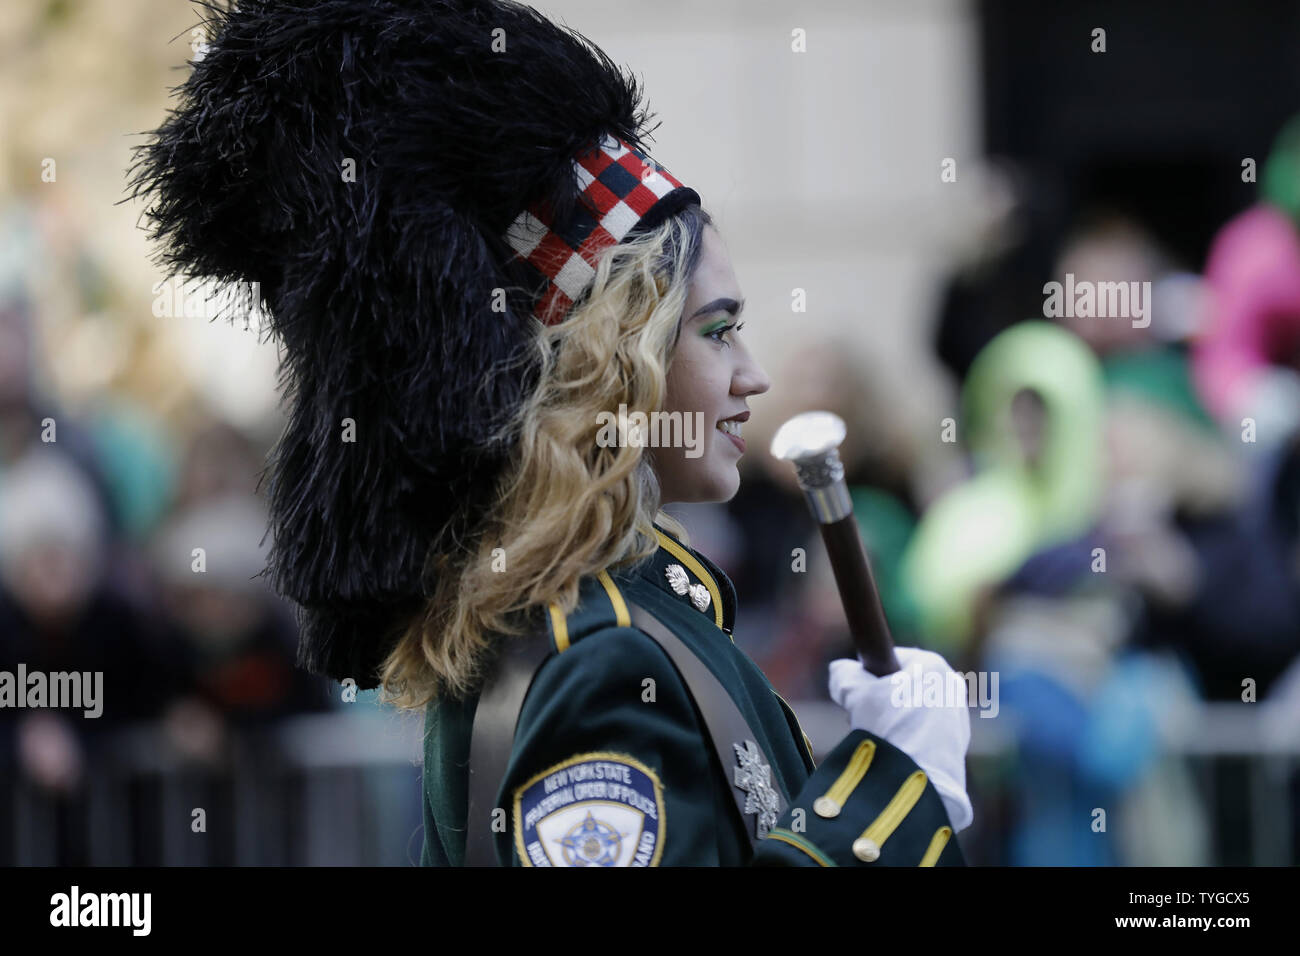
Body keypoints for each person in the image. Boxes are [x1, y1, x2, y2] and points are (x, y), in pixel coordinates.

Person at [129, 0, 972, 867]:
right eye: (717, 330)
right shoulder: (593, 660)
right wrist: (891, 801)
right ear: (612, 365)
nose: (753, 373)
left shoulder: (638, 614)